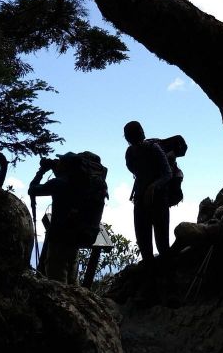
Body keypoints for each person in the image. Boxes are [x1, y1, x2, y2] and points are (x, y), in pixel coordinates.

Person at [28, 151, 107, 284]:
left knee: (57, 284)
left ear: (67, 166)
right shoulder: (86, 185)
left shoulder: (58, 184)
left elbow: (32, 189)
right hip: (76, 238)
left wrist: (42, 171)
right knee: (72, 283)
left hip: (59, 239)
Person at [123, 120, 172, 262]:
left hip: (152, 200)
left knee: (154, 243)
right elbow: (167, 173)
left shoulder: (152, 148)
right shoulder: (133, 152)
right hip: (149, 200)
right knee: (152, 243)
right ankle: (159, 273)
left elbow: (167, 173)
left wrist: (152, 186)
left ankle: (157, 273)